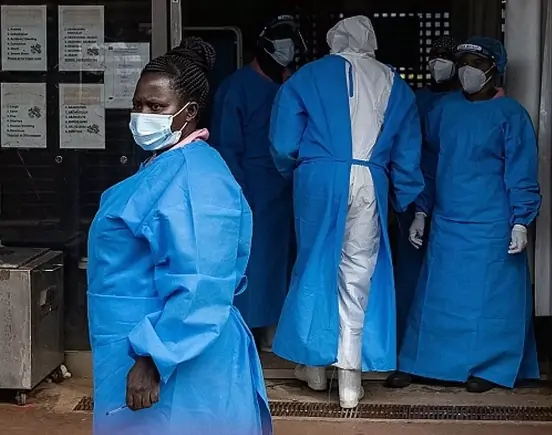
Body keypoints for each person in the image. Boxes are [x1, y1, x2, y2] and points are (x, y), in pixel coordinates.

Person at [87, 37, 272, 435]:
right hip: (141, 342)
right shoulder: (164, 164)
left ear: (188, 112)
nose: (142, 115)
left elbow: (200, 281)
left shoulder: (195, 178)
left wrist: (154, 357)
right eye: (138, 105)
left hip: (174, 354)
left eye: (156, 107)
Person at [269, 16, 424, 409]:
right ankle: (350, 380)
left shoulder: (307, 76)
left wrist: (300, 170)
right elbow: (408, 153)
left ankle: (315, 368)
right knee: (358, 274)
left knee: (314, 265)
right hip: (371, 177)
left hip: (320, 177)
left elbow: (284, 142)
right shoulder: (396, 84)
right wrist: (406, 197)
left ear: (335, 40)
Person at [388, 37, 541, 393]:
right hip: (447, 220)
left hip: (492, 224)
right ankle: (423, 362)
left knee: (490, 299)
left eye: (476, 63)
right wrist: (421, 210)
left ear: (494, 69)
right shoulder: (445, 110)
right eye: (463, 63)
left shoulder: (511, 115)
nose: (466, 70)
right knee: (437, 298)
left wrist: (521, 221)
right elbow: (429, 164)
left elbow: (521, 170)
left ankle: (491, 367)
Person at [211, 15, 305, 352]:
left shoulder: (290, 88)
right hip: (250, 189)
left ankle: (275, 329)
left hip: (285, 189)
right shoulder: (237, 88)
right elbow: (226, 146)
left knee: (283, 263)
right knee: (254, 262)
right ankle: (247, 333)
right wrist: (238, 193)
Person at [393, 35, 460, 349]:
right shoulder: (413, 99)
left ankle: (441, 347)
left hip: (455, 200)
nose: (437, 62)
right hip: (412, 195)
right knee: (411, 272)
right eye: (434, 55)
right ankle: (407, 344)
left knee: (448, 275)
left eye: (445, 56)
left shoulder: (467, 106)